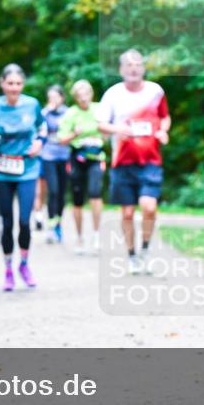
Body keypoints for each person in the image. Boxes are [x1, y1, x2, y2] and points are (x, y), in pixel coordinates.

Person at [97, 49, 171, 275]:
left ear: (143, 68)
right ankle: (131, 255)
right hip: (123, 161)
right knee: (127, 213)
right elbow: (100, 124)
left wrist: (163, 132)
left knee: (149, 206)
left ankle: (145, 251)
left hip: (150, 159)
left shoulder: (155, 91)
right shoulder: (113, 94)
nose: (133, 68)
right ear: (121, 69)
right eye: (128, 65)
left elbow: (164, 117)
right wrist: (119, 129)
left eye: (137, 64)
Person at [0, 64, 46, 291]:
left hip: (27, 169)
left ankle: (24, 265)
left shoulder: (32, 104)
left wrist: (39, 144)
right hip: (1, 170)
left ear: (23, 85)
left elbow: (42, 128)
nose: (14, 88)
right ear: (2, 84)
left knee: (25, 221)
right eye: (10, 83)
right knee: (6, 222)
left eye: (18, 84)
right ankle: (8, 268)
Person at [58, 79, 106, 254]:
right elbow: (61, 139)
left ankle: (96, 235)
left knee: (95, 194)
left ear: (91, 94)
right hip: (77, 158)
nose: (84, 98)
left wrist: (104, 133)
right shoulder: (71, 113)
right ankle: (79, 238)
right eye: (80, 96)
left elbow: (109, 131)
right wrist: (74, 134)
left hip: (96, 157)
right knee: (77, 199)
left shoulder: (100, 109)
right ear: (76, 98)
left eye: (86, 94)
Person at [40, 84, 70, 244]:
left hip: (64, 156)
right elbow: (36, 124)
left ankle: (58, 223)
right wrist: (46, 109)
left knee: (61, 193)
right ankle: (51, 226)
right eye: (50, 98)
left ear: (62, 98)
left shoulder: (68, 112)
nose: (53, 101)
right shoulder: (45, 113)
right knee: (53, 191)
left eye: (56, 97)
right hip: (48, 156)